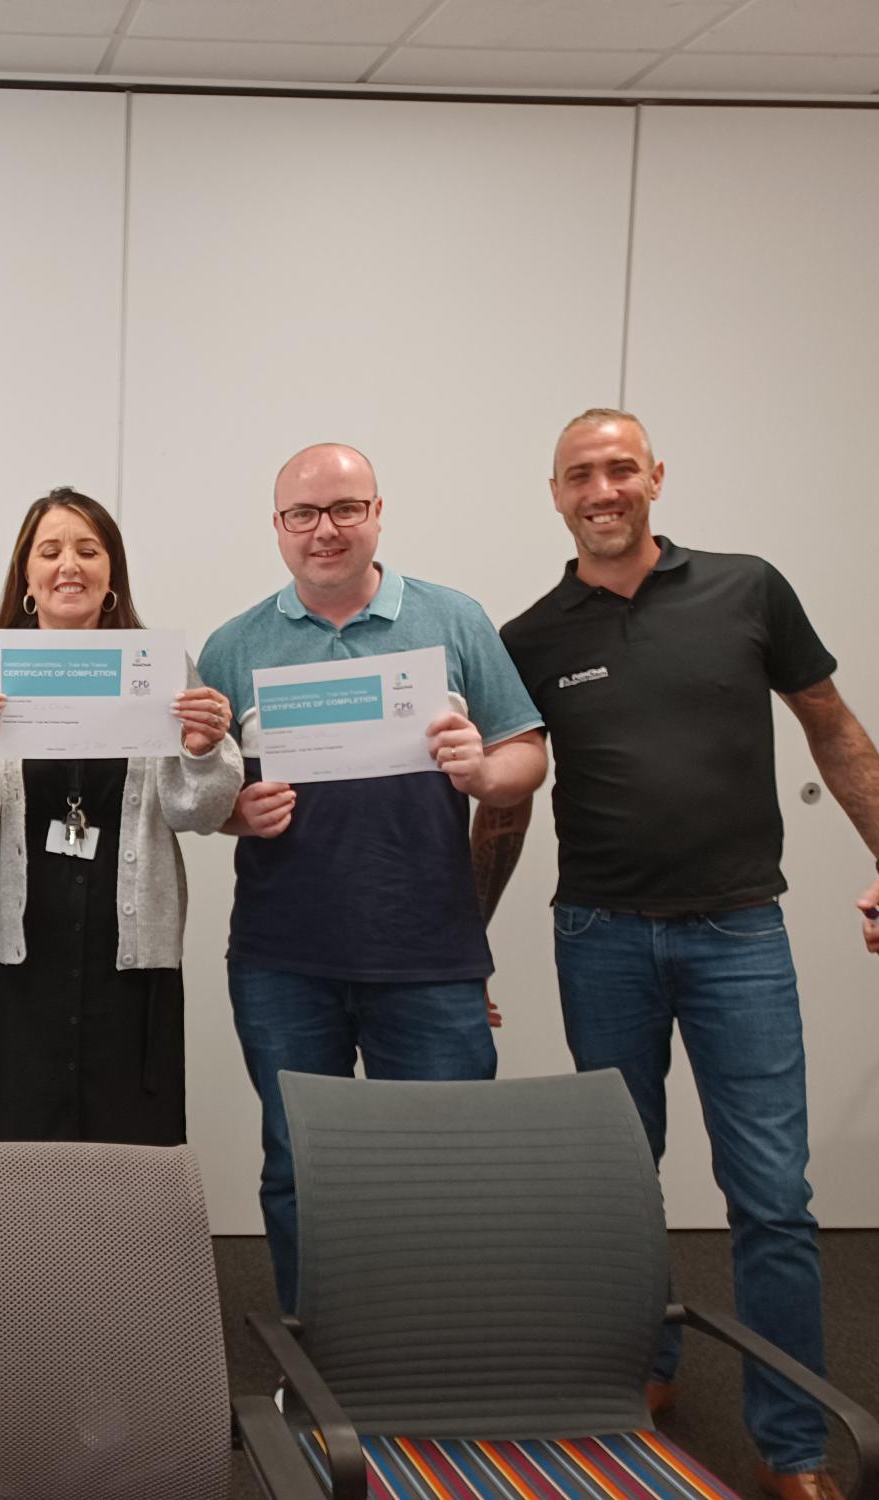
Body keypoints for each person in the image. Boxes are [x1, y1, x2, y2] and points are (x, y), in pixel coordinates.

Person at [478, 408, 879, 1500]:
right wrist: (460, 934)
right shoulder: (525, 638)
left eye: (619, 467)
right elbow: (504, 812)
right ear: (554, 494)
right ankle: (643, 1369)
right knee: (619, 1187)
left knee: (770, 1194)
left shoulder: (745, 588)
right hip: (598, 940)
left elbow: (829, 721)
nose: (602, 488)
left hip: (738, 936)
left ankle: (795, 1443)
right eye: (580, 474)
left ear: (654, 478)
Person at [197, 442, 546, 1312]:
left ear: (378, 513)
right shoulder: (235, 644)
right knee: (300, 1168)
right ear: (278, 528)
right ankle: (320, 1359)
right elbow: (201, 793)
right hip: (285, 958)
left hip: (428, 950)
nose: (325, 531)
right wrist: (235, 811)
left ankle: (427, 1362)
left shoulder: (453, 619)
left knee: (444, 1170)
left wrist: (482, 770)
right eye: (303, 515)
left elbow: (526, 757)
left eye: (345, 509)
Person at [0, 486, 239, 1145]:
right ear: (27, 576)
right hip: (10, 957)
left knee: (124, 1157)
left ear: (112, 573)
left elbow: (198, 811)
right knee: (4, 1154)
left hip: (127, 953)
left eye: (88, 550)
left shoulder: (158, 666)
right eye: (51, 550)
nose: (70, 564)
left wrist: (203, 754)